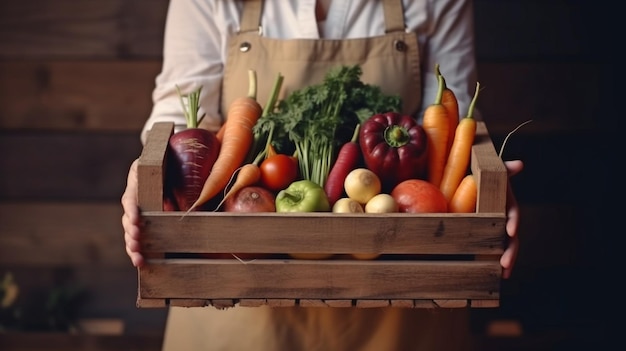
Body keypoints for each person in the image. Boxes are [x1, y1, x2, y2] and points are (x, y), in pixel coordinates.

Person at [122, 0, 524, 350]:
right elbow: (180, 115)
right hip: (236, 292)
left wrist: (484, 179)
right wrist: (148, 170)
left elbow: (450, 118)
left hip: (402, 297)